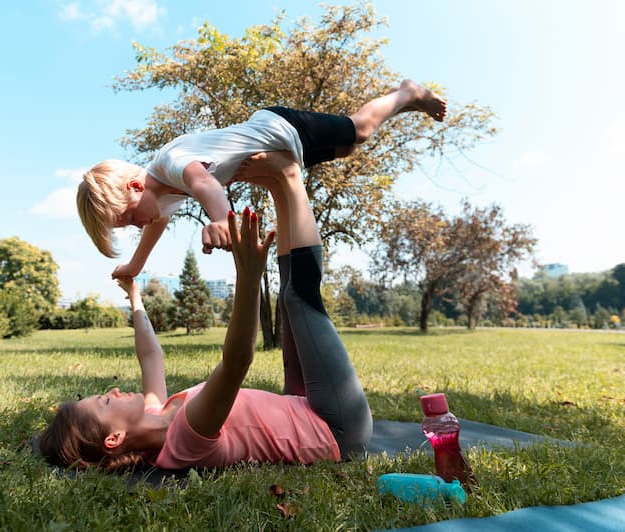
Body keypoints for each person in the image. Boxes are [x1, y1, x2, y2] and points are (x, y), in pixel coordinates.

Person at [40, 155, 372, 471]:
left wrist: (135, 297)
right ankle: (289, 178)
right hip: (335, 428)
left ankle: (280, 185)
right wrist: (248, 276)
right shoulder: (183, 437)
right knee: (299, 300)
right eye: (106, 402)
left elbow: (151, 356)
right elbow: (236, 362)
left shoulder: (157, 412)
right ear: (115, 439)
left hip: (301, 404)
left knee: (289, 299)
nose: (113, 392)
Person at [77, 79, 447, 280]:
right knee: (347, 149)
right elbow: (155, 226)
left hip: (282, 127)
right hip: (286, 148)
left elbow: (205, 183)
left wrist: (221, 219)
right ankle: (402, 105)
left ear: (136, 187)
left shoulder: (170, 163)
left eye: (126, 217)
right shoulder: (158, 199)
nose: (133, 225)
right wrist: (135, 266)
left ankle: (406, 92)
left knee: (360, 130)